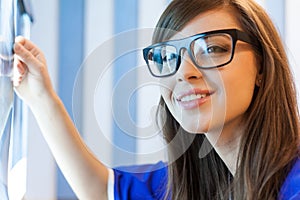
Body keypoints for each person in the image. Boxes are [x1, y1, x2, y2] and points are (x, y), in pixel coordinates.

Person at [12, 0, 300, 199]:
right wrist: (39, 96)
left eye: (211, 49)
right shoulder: (197, 179)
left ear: (262, 66)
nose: (185, 73)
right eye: (168, 56)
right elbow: (101, 191)